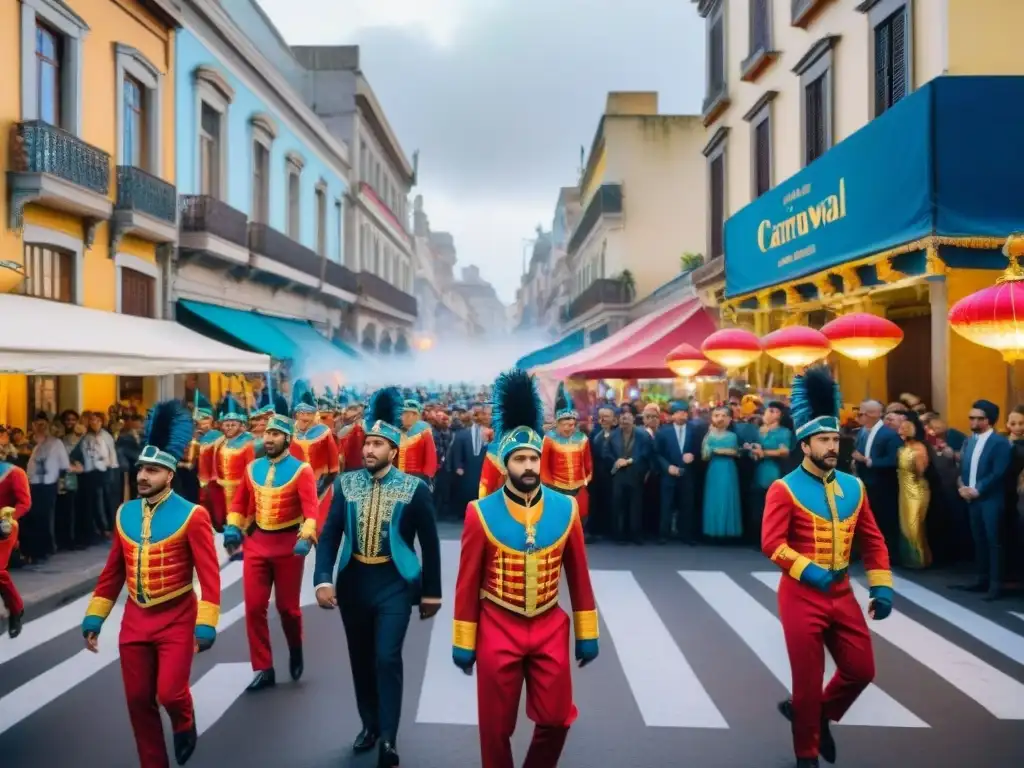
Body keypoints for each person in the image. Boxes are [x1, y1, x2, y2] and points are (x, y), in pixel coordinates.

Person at [452, 368, 599, 768]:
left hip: (550, 625)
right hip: (498, 624)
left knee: (557, 719)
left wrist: (587, 632)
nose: (529, 465)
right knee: (496, 728)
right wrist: (464, 640)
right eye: (520, 458)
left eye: (534, 456)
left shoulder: (565, 508)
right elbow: (466, 584)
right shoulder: (479, 513)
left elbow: (579, 577)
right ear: (506, 463)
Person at [761, 366, 893, 768]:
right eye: (824, 440)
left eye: (835, 439)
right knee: (806, 683)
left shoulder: (854, 486)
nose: (832, 446)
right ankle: (805, 755)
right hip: (802, 596)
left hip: (841, 593)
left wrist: (881, 585)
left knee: (861, 670)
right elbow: (772, 544)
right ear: (806, 444)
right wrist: (807, 570)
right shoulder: (784, 489)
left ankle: (818, 713)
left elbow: (872, 539)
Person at [81, 401, 221, 768]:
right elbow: (113, 573)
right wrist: (95, 618)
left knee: (171, 694)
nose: (143, 476)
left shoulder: (194, 515)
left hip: (177, 618)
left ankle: (184, 719)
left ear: (170, 475)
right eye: (142, 468)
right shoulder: (124, 513)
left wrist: (206, 623)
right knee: (138, 700)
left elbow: (209, 575)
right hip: (135, 621)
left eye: (153, 470)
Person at [314, 386, 442, 768]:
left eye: (377, 445)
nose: (368, 450)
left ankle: (389, 738)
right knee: (361, 658)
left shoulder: (414, 489)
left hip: (395, 584)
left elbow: (431, 544)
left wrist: (431, 593)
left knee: (387, 657)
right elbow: (331, 533)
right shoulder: (345, 485)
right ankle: (369, 725)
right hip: (354, 583)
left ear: (394, 450)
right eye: (367, 443)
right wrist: (323, 578)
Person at [225, 405, 319, 691]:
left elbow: (311, 509)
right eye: (267, 433)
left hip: (289, 546)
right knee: (254, 608)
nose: (269, 438)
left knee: (288, 609)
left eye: (276, 434)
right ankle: (263, 667)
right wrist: (232, 527)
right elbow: (240, 502)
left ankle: (295, 647)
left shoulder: (301, 470)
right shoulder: (253, 467)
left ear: (287, 439)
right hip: (257, 543)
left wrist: (307, 536)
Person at [954, 399, 1012, 600]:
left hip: (990, 499)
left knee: (994, 541)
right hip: (971, 498)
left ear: (990, 420)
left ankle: (996, 585)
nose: (974, 422)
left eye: (979, 419)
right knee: (978, 540)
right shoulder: (969, 441)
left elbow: (998, 472)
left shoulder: (1000, 442)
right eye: (972, 418)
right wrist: (961, 486)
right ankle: (981, 579)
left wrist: (977, 489)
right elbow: (963, 468)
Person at [289, 379, 340, 534]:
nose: (304, 417)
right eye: (301, 413)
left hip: (321, 482)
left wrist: (323, 484)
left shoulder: (324, 432)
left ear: (314, 414)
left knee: (320, 525)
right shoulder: (290, 433)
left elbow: (334, 464)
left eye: (308, 414)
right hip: (296, 482)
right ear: (296, 414)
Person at [539, 381, 594, 522]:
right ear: (557, 424)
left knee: (579, 518)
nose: (568, 428)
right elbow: (543, 467)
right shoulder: (549, 439)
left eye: (571, 424)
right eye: (564, 425)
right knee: (558, 520)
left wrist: (585, 480)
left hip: (578, 485)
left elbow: (588, 463)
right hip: (556, 487)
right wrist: (550, 486)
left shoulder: (582, 439)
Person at [654, 401, 702, 545]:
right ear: (673, 415)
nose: (683, 415)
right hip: (669, 472)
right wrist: (667, 467)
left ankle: (686, 534)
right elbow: (657, 453)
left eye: (685, 412)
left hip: (687, 472)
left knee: (687, 504)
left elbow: (700, 450)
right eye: (679, 412)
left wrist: (693, 455)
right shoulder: (663, 431)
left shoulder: (694, 430)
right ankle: (664, 533)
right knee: (666, 504)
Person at [210, 393, 256, 533]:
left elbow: (251, 466)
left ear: (241, 426)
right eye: (226, 424)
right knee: (226, 511)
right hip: (223, 485)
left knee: (242, 511)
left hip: (241, 485)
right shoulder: (220, 442)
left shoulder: (248, 442)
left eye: (233, 425)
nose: (229, 427)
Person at [0, 458, 32, 637]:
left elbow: (24, 503)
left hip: (4, 528)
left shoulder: (14, 472)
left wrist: (7, 517)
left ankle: (15, 609)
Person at [896, 412, 932, 569]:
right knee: (905, 523)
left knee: (914, 524)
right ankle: (909, 559)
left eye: (905, 428)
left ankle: (920, 559)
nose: (901, 431)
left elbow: (921, 471)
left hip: (917, 490)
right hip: (903, 490)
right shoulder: (902, 448)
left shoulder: (919, 448)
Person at [702, 405, 742, 539]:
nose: (720, 419)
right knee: (714, 498)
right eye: (717, 415)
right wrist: (709, 436)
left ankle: (727, 531)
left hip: (727, 469)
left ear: (730, 419)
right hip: (714, 469)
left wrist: (716, 450)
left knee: (726, 497)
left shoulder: (732, 436)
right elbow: (704, 455)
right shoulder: (709, 435)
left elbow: (734, 451)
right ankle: (713, 531)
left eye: (724, 416)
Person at [397, 398, 439, 484]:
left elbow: (431, 457)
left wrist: (427, 477)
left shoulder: (424, 431)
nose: (403, 417)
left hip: (417, 476)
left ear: (415, 415)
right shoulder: (396, 430)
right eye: (403, 413)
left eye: (406, 414)